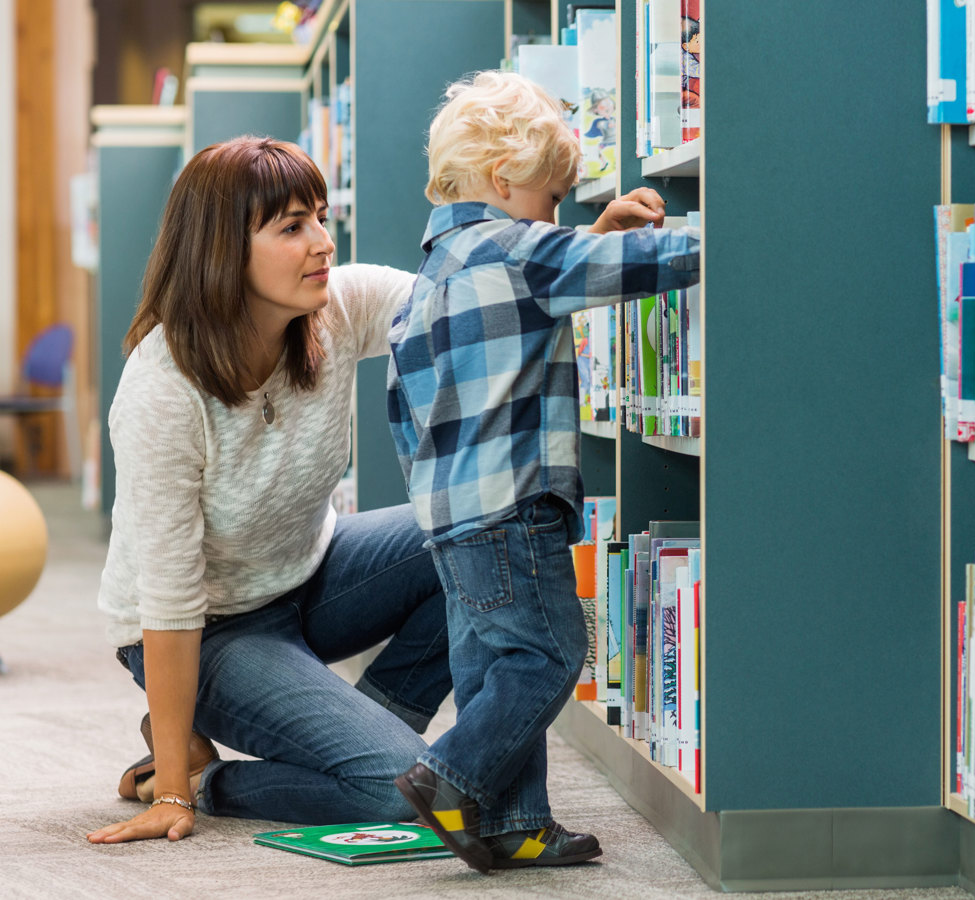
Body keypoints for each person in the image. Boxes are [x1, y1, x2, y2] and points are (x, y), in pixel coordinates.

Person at [88, 137, 453, 845]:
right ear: (221, 250)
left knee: (477, 529)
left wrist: (578, 246)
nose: (323, 242)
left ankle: (373, 738)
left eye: (320, 216)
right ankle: (205, 776)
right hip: (209, 627)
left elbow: (461, 298)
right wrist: (173, 792)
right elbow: (168, 601)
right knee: (401, 793)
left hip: (309, 572)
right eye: (291, 227)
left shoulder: (333, 306)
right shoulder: (163, 390)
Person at [386, 70, 700, 872]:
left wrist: (587, 234)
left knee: (491, 666)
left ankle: (512, 821)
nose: (559, 219)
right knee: (553, 654)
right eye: (555, 202)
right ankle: (448, 773)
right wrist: (730, 234)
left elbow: (406, 410)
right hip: (515, 505)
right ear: (505, 182)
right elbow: (634, 267)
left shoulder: (427, 282)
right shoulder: (523, 252)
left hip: (448, 518)